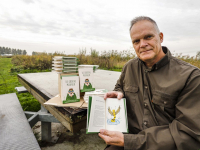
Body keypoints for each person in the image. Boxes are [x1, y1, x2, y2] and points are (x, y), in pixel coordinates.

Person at [98, 16, 200, 150]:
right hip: (125, 142)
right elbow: (120, 87)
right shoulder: (129, 67)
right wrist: (119, 93)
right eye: (136, 41)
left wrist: (131, 141)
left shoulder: (190, 77)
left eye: (148, 37)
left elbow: (188, 133)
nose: (142, 44)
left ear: (161, 37)